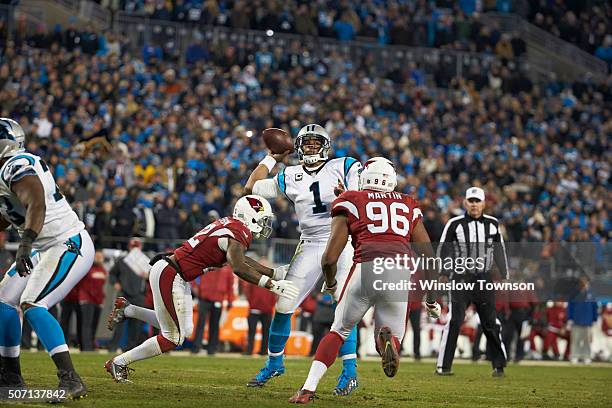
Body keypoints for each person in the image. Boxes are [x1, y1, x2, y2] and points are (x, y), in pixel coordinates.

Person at [289, 157, 441, 403]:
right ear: (391, 180)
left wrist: (330, 284)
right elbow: (429, 257)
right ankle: (387, 340)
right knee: (393, 336)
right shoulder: (407, 204)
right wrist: (432, 300)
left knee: (338, 331)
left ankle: (308, 389)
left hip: (366, 268)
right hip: (399, 273)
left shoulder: (350, 200)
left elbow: (329, 258)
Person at [104, 195, 299, 383]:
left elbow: (240, 259)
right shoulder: (239, 231)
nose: (265, 225)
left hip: (174, 272)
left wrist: (272, 273)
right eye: (263, 219)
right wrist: (271, 284)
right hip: (172, 274)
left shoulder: (231, 226)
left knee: (184, 330)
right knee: (173, 337)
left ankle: (128, 309)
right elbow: (238, 266)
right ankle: (118, 362)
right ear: (251, 215)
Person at [245, 124, 362, 396]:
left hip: (341, 239)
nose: (310, 147)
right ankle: (275, 363)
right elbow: (251, 188)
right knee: (284, 304)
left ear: (326, 145)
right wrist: (270, 157)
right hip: (309, 243)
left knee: (343, 307)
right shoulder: (290, 174)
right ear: (297, 147)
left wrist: (350, 194)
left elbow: (362, 198)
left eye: (315, 142)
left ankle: (349, 372)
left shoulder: (345, 165)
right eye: (306, 143)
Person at [0, 118, 94, 399]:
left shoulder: (15, 164)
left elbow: (36, 202)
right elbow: (7, 217)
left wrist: (25, 243)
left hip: (68, 242)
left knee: (33, 304)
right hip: (44, 246)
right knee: (5, 300)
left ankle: (70, 379)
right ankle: (11, 376)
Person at [436, 186, 509, 377]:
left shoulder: (493, 224)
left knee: (490, 322)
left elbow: (499, 250)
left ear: (484, 203)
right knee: (455, 320)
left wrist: (504, 274)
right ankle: (444, 366)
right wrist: (443, 273)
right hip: (460, 277)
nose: (474, 205)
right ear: (465, 203)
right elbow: (444, 249)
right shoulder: (454, 223)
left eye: (478, 201)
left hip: (484, 278)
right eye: (471, 201)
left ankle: (498, 365)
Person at [107, 238, 150, 352]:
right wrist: (115, 282)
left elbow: (152, 278)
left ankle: (130, 348)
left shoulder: (145, 261)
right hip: (124, 294)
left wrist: (148, 276)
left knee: (135, 325)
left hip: (139, 295)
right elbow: (112, 274)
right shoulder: (122, 260)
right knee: (118, 322)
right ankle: (113, 347)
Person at [191, 264, 235, 355]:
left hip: (218, 299)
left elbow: (230, 285)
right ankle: (196, 347)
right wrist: (196, 288)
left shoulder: (227, 269)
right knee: (201, 323)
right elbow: (195, 275)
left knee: (214, 325)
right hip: (204, 298)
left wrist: (230, 300)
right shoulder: (207, 264)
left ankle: (212, 349)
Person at [78, 250, 107, 351]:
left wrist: (101, 299)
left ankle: (92, 344)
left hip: (98, 301)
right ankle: (86, 347)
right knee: (87, 324)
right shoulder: (88, 268)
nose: (98, 259)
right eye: (97, 256)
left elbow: (101, 286)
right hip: (87, 299)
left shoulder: (103, 270)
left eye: (100, 257)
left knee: (94, 324)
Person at [568, 276, 598, 364]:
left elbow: (594, 307)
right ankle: (574, 356)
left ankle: (586, 356)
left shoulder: (592, 294)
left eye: (585, 282)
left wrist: (594, 319)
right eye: (581, 282)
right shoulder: (574, 294)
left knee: (587, 341)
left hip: (588, 321)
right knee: (575, 340)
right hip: (576, 320)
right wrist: (570, 318)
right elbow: (570, 307)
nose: (583, 284)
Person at [242, 278, 276, 356]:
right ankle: (249, 350)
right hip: (255, 309)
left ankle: (263, 351)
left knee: (266, 332)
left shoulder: (271, 281)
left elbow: (274, 294)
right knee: (252, 331)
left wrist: (270, 306)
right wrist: (252, 303)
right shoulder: (253, 280)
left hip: (266, 310)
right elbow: (247, 292)